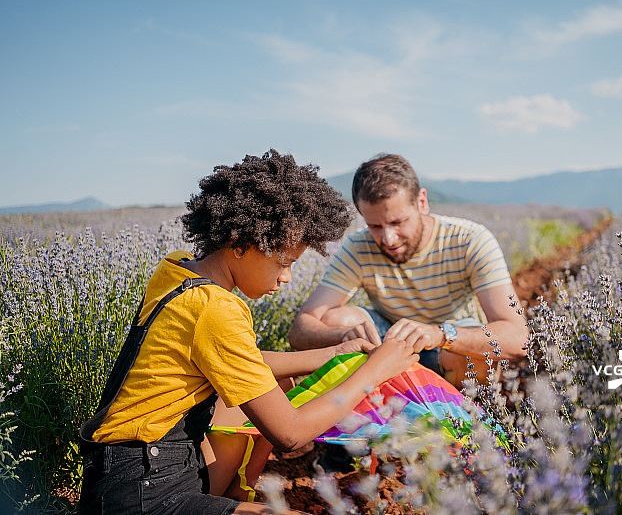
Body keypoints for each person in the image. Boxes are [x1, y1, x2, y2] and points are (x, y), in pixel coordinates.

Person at [77, 151, 418, 515]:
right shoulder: (216, 308)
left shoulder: (178, 269)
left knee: (268, 389)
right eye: (284, 263)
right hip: (142, 495)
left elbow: (245, 364)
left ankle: (236, 501)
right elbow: (290, 434)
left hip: (131, 472)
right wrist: (375, 371)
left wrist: (335, 352)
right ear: (239, 244)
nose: (286, 278)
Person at [287, 153, 528, 389]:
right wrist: (342, 335)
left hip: (451, 348)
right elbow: (301, 329)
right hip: (390, 349)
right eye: (375, 226)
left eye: (397, 222)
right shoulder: (359, 247)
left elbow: (518, 337)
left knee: (470, 354)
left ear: (422, 202)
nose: (388, 239)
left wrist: (440, 334)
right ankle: (372, 409)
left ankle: (460, 420)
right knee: (334, 320)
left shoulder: (470, 240)